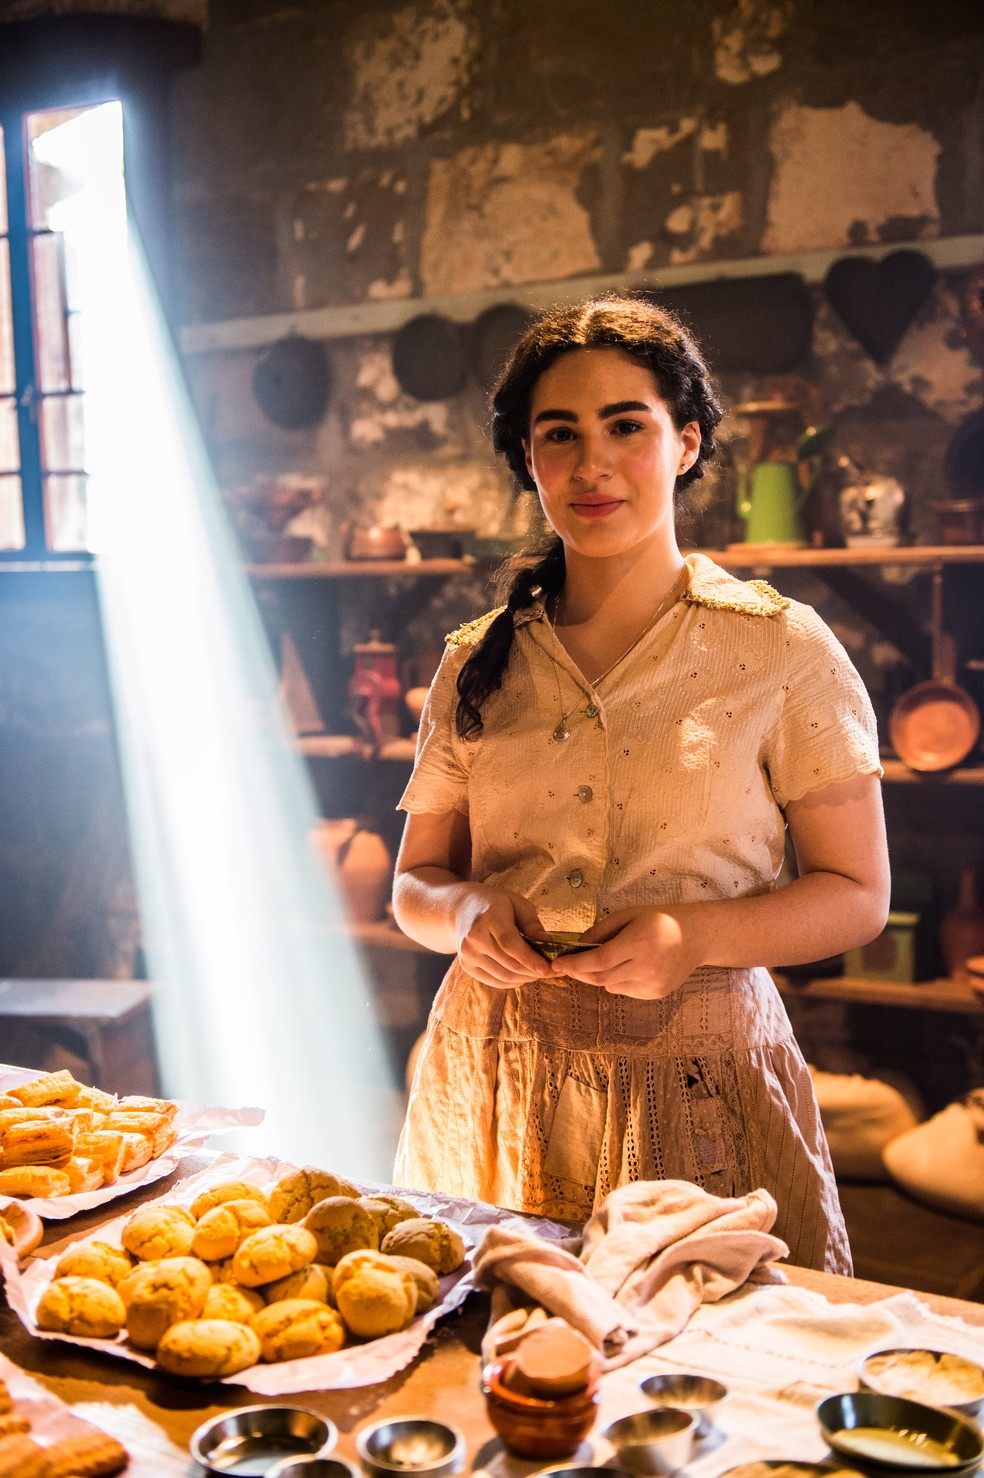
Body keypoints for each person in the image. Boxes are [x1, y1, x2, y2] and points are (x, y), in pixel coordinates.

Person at [391, 293, 889, 1273]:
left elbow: (858, 894)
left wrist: (695, 933)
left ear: (687, 440)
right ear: (527, 460)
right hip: (493, 1066)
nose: (591, 464)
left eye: (628, 425)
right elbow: (412, 886)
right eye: (558, 435)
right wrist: (461, 914)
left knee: (710, 1383)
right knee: (495, 1366)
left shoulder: (780, 650)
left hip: (696, 1079)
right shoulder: (475, 662)